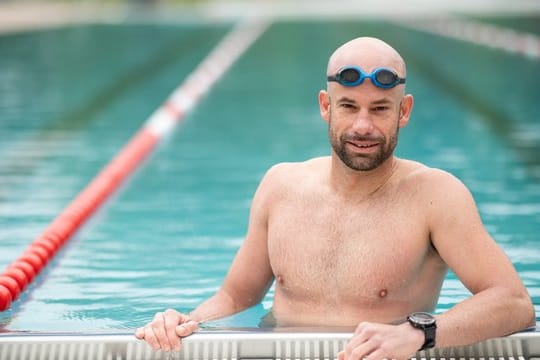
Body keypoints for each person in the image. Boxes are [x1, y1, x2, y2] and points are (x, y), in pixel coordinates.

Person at [135, 37, 536, 359]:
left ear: (405, 111)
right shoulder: (281, 186)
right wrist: (185, 322)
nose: (364, 126)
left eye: (381, 108)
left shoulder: (435, 196)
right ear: (326, 106)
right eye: (349, 106)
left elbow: (513, 302)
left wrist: (418, 333)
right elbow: (236, 296)